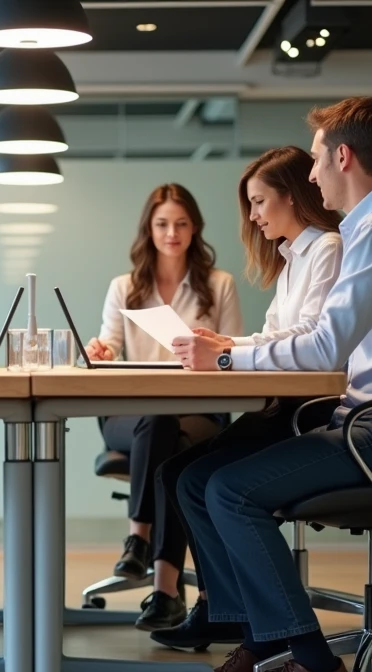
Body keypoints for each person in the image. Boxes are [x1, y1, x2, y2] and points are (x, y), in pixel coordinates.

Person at [168, 97, 372, 672]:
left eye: (315, 159)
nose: (311, 174)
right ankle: (260, 643)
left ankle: (313, 664)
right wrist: (231, 350)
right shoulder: (371, 229)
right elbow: (319, 339)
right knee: (199, 478)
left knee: (229, 490)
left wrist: (225, 360)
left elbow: (326, 346)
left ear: (343, 157)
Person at [144, 147, 344, 639]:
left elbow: (313, 341)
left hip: (308, 413)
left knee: (195, 478)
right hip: (284, 406)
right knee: (175, 472)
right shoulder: (293, 257)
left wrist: (227, 353)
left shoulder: (327, 249)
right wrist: (227, 342)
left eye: (258, 202)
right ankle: (222, 610)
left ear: (291, 197)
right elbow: (276, 334)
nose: (253, 216)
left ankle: (233, 616)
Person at [83, 183, 243, 631]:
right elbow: (109, 344)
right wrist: (102, 351)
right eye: (162, 224)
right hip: (131, 416)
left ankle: (143, 549)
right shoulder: (124, 287)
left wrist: (214, 351)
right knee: (160, 425)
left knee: (174, 443)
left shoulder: (220, 285)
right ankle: (169, 591)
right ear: (148, 230)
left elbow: (236, 354)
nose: (172, 233)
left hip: (200, 412)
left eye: (181, 223)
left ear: (195, 229)